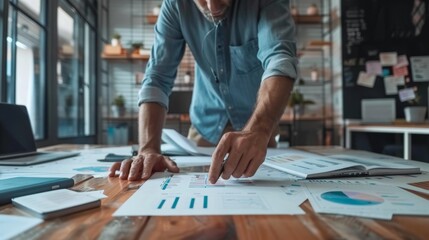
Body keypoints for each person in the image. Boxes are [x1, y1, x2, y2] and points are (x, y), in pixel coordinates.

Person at [109, 0, 297, 184]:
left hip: (259, 126)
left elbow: (279, 60)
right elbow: (157, 77)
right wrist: (148, 149)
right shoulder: (175, 5)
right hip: (204, 129)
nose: (212, 7)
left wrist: (259, 129)